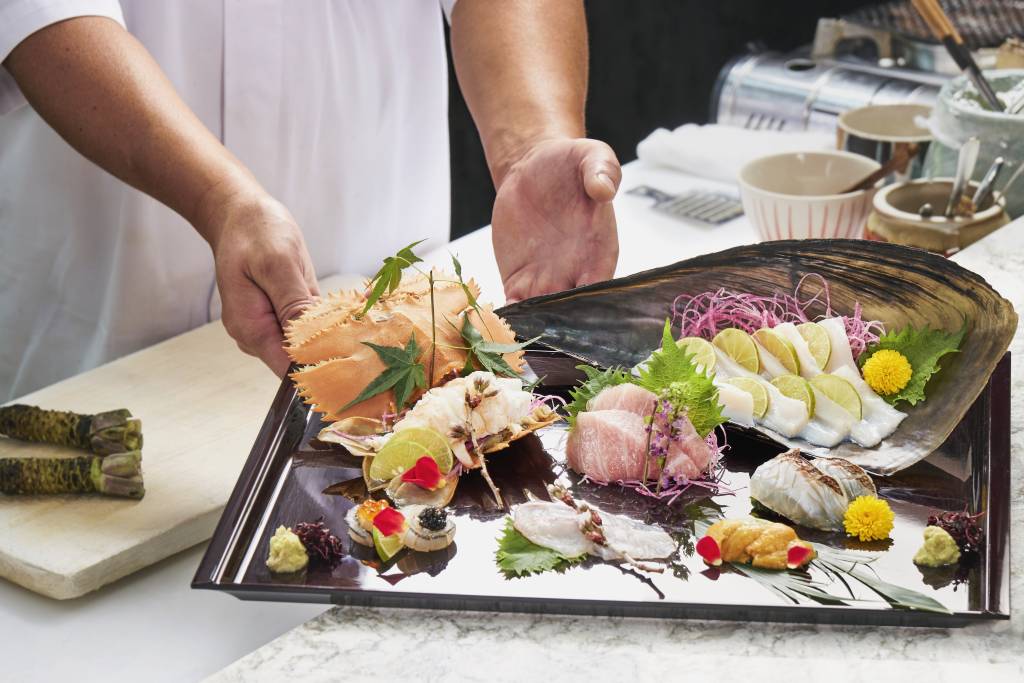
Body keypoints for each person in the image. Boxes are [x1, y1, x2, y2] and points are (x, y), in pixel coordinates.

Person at [0, 0, 621, 400]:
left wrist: (531, 144)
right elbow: (42, 16)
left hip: (391, 311)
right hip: (106, 335)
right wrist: (219, 200)